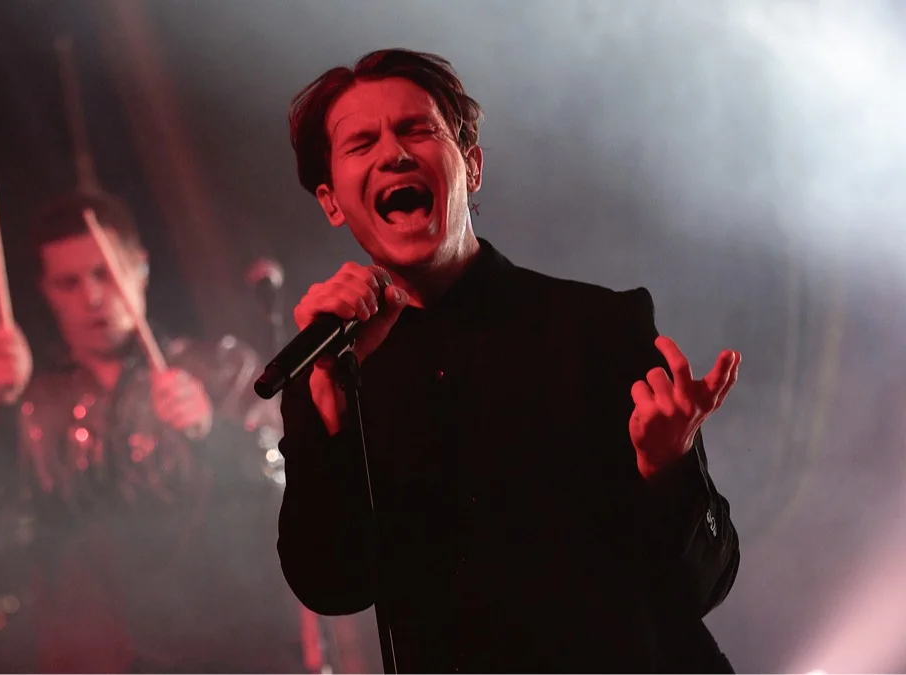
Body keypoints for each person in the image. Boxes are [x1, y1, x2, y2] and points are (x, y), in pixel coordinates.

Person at [276, 48, 743, 673]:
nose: (394, 154)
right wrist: (329, 413)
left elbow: (706, 583)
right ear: (332, 201)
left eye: (416, 129)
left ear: (471, 166)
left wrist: (669, 469)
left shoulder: (600, 327)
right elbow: (333, 586)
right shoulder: (332, 372)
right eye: (362, 143)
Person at [0, 190, 301, 673]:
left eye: (104, 273)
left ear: (139, 266)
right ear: (47, 293)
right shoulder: (34, 407)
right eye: (69, 283)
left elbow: (289, 488)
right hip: (102, 658)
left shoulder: (220, 370)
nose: (92, 297)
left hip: (240, 650)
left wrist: (212, 433)